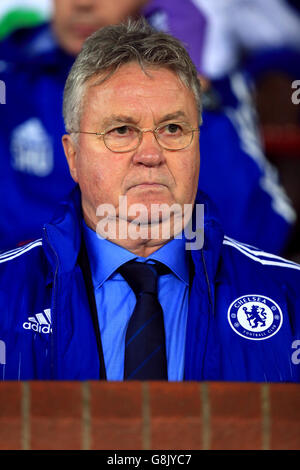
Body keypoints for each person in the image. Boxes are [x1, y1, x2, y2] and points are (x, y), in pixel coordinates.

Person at [0, 19, 300, 382]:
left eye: (172, 129)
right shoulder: (6, 291)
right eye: (121, 130)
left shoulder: (292, 297)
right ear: (73, 156)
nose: (150, 154)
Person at [0, 0, 295, 254]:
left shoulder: (210, 82)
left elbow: (253, 236)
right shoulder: (10, 77)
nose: (83, 4)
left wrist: (188, 95)